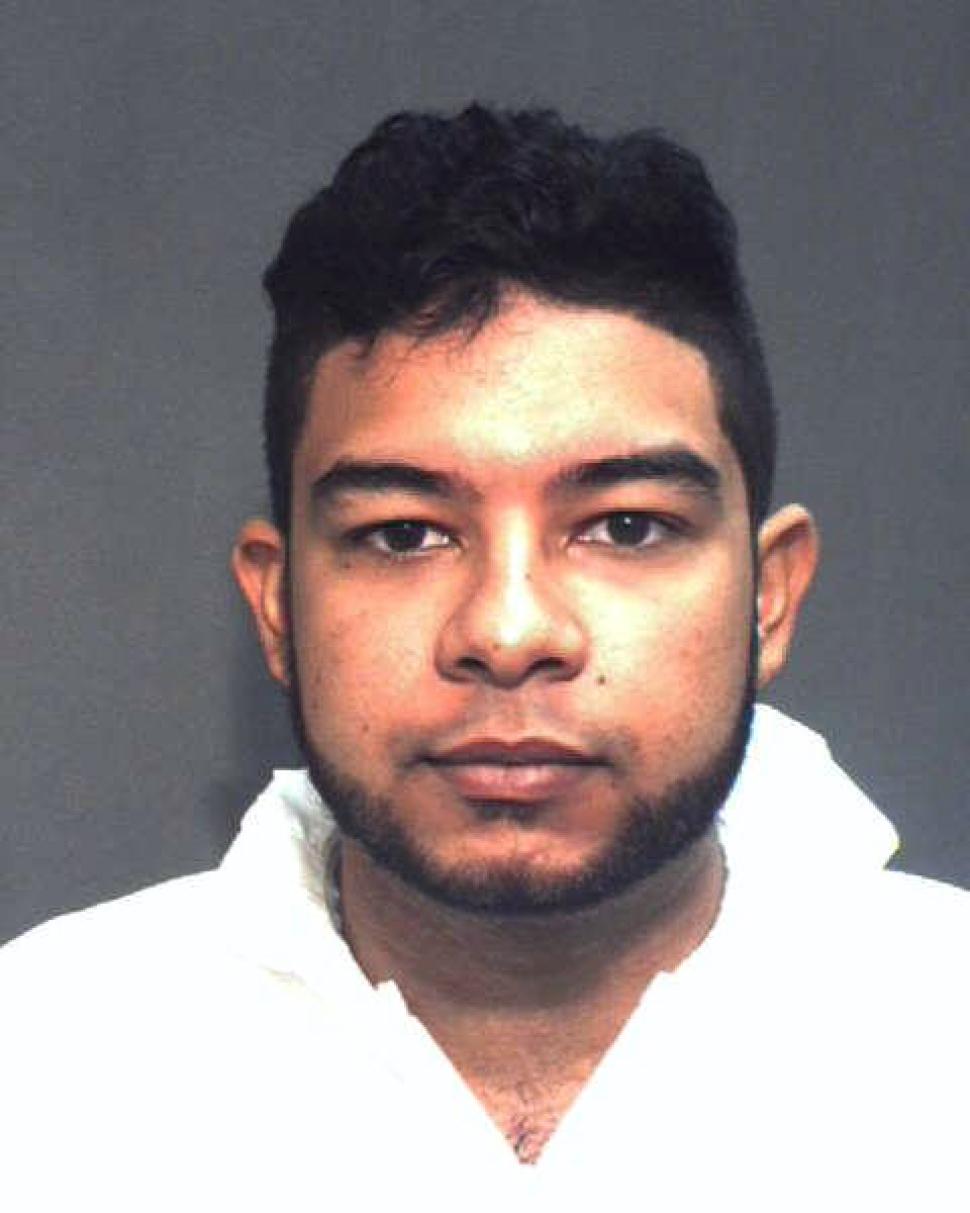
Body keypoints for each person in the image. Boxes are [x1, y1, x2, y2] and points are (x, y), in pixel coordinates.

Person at [1, 104, 966, 1211]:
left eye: (626, 526)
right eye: (403, 534)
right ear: (277, 607)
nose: (508, 634)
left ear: (770, 595)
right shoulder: (41, 1070)